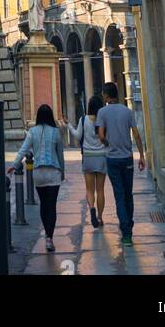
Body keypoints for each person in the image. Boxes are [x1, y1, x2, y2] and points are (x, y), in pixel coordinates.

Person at [8, 104, 66, 252]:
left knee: (43, 204)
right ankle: (49, 238)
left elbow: (23, 150)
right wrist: (63, 171)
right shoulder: (56, 132)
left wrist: (14, 165)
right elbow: (60, 154)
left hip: (39, 173)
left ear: (38, 116)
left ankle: (46, 234)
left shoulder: (32, 132)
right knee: (51, 206)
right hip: (53, 172)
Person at [95, 81, 145, 245]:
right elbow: (137, 135)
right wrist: (142, 156)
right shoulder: (127, 111)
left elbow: (101, 135)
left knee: (119, 195)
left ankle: (126, 232)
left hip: (112, 159)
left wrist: (107, 143)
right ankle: (128, 225)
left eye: (103, 93)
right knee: (128, 193)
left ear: (106, 95)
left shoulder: (102, 112)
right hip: (127, 158)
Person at [64, 94, 107, 227]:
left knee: (89, 189)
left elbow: (77, 136)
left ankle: (92, 209)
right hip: (101, 157)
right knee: (100, 190)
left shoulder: (83, 120)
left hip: (88, 157)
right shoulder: (104, 120)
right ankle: (100, 218)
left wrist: (68, 125)